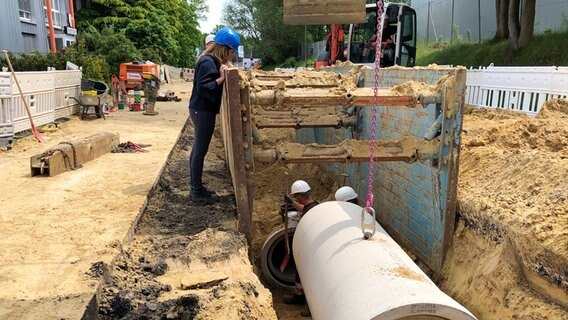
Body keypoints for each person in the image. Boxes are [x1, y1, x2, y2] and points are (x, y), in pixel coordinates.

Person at [189, 27, 240, 203]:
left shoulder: (210, 61)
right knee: (200, 151)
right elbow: (204, 88)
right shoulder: (207, 62)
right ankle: (196, 191)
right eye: (231, 51)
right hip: (202, 110)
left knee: (197, 150)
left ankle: (196, 186)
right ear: (225, 48)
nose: (232, 55)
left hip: (201, 109)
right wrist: (221, 78)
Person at [283, 180, 319, 317]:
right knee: (300, 272)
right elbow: (304, 208)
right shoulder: (313, 205)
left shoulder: (312, 210)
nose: (295, 199)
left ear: (299, 196)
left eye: (295, 197)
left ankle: (313, 307)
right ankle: (298, 297)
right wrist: (291, 203)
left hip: (312, 249)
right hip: (308, 246)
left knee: (311, 277)